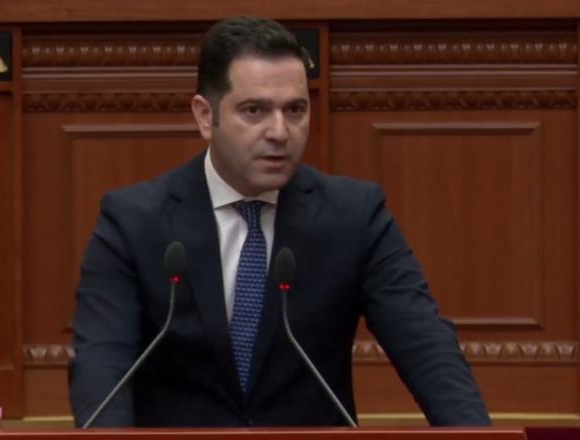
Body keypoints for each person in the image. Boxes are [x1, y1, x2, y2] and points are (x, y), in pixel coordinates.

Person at [69, 16, 490, 428]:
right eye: (254, 110)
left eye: (295, 110)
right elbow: (102, 365)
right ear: (204, 116)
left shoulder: (354, 216)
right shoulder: (134, 221)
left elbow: (426, 346)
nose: (280, 132)